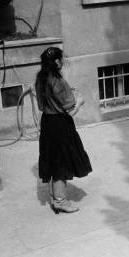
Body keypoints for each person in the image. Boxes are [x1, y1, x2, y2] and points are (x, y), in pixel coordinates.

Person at [35, 47, 91, 214]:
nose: (63, 62)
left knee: (53, 160)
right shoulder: (57, 81)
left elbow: (42, 101)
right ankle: (61, 201)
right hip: (60, 124)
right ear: (57, 62)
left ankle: (54, 197)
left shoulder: (40, 78)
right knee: (61, 163)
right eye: (62, 59)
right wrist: (80, 101)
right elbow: (69, 110)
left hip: (47, 123)